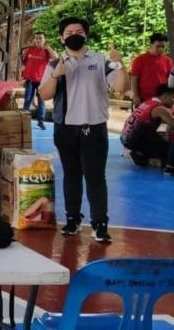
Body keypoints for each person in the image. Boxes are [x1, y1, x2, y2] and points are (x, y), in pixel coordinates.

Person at [39, 17, 128, 243]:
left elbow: (121, 87)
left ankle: (100, 223)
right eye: (69, 32)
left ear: (86, 35)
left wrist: (119, 64)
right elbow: (44, 94)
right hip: (66, 128)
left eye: (79, 31)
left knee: (96, 175)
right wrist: (57, 74)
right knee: (71, 174)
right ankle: (72, 219)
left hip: (94, 127)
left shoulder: (100, 60)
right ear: (62, 38)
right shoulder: (55, 64)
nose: (74, 35)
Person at [121, 84, 174, 173]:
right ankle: (141, 156)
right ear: (165, 96)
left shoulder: (147, 102)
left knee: (162, 135)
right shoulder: (160, 109)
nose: (173, 101)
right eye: (172, 98)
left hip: (126, 138)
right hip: (135, 141)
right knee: (170, 152)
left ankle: (140, 153)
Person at [20, 32, 56, 130]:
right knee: (27, 100)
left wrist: (49, 48)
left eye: (40, 38)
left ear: (44, 40)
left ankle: (41, 122)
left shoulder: (46, 51)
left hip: (42, 81)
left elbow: (56, 58)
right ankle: (24, 121)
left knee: (41, 102)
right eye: (36, 38)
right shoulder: (29, 50)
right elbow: (25, 65)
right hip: (30, 80)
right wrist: (22, 78)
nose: (38, 40)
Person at [130, 33, 172, 107]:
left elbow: (170, 80)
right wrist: (135, 95)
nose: (161, 49)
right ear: (151, 45)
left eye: (163, 47)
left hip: (161, 99)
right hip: (144, 98)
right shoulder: (140, 59)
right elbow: (134, 79)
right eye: (158, 46)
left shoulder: (168, 61)